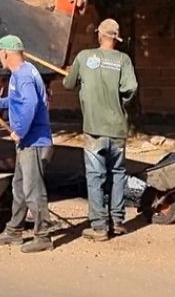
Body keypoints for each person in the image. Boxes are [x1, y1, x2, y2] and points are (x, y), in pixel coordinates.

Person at [63, 18, 138, 241]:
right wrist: (119, 102)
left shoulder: (84, 57)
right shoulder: (123, 60)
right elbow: (130, 88)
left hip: (94, 128)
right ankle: (117, 221)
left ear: (99, 36)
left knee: (95, 176)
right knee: (117, 174)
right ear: (116, 38)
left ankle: (98, 226)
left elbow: (68, 83)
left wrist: (72, 72)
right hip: (117, 129)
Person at [0, 35, 55, 253]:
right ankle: (13, 230)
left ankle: (43, 236)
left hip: (34, 142)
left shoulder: (23, 76)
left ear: (6, 53)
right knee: (19, 187)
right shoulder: (21, 73)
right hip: (28, 142)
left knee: (33, 189)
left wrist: (20, 131)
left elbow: (30, 103)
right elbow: (17, 100)